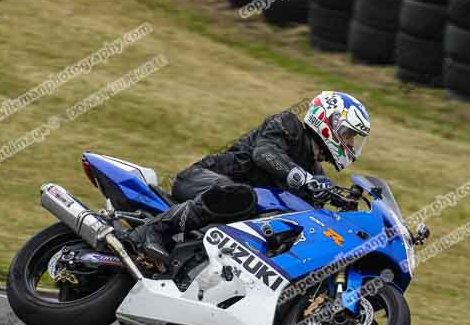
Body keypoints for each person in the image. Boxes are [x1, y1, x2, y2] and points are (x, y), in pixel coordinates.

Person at [128, 91, 371, 262]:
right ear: (330, 122)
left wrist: (341, 210)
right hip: (203, 180)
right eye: (349, 134)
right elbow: (264, 153)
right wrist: (306, 179)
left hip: (232, 212)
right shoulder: (288, 125)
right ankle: (155, 229)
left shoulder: (315, 172)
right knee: (242, 195)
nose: (350, 143)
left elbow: (308, 216)